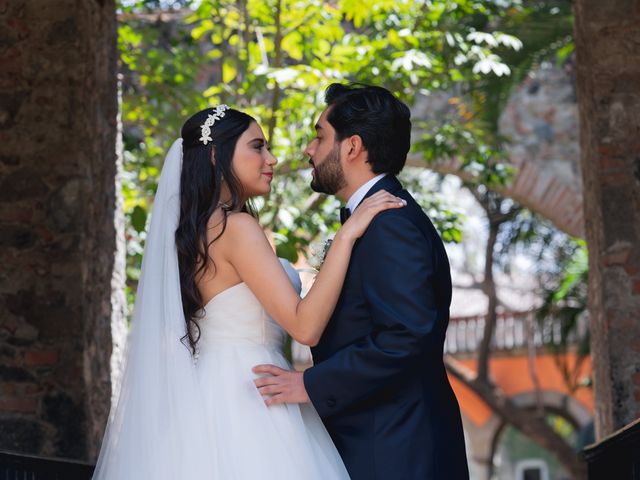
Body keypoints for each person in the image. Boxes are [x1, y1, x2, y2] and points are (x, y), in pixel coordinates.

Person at [92, 105, 407, 479]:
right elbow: (305, 327)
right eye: (257, 146)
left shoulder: (195, 233)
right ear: (215, 155)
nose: (271, 158)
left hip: (209, 397)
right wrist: (348, 235)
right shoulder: (236, 228)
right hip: (253, 398)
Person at [253, 84, 470, 479]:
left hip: (398, 451)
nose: (309, 149)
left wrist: (311, 385)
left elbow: (406, 336)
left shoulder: (391, 225)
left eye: (320, 136)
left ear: (352, 147)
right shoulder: (376, 219)